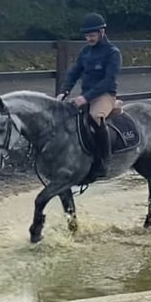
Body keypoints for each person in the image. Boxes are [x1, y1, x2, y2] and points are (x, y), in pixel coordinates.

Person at [57, 12, 122, 178]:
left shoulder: (112, 53)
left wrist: (85, 98)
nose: (89, 39)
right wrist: (64, 92)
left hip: (105, 94)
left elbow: (108, 81)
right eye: (87, 36)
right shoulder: (85, 52)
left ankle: (104, 159)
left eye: (92, 35)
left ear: (102, 32)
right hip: (85, 94)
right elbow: (74, 72)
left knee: (95, 117)